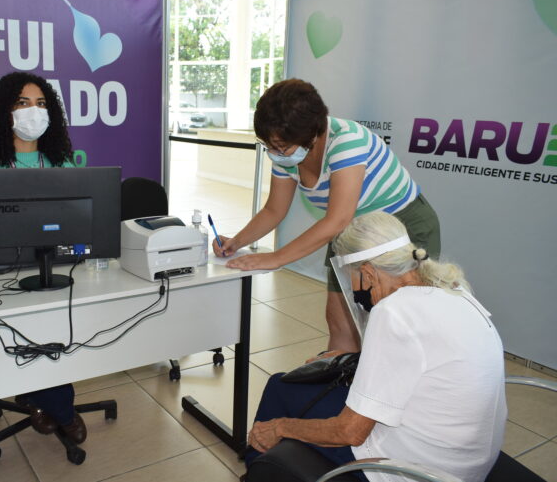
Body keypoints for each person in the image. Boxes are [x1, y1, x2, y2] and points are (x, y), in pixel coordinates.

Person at [244, 211, 506, 482]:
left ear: (368, 273)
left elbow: (350, 432)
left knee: (281, 387)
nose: (354, 289)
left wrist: (280, 428)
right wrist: (356, 357)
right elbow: (421, 362)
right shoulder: (453, 290)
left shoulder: (393, 310)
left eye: (352, 278)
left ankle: (260, 471)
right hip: (467, 463)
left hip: (414, 469)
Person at [213, 79, 440, 354]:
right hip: (353, 232)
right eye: (268, 145)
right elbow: (274, 210)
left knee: (396, 324)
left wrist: (276, 258)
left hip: (400, 228)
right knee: (340, 321)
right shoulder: (287, 157)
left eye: (281, 146)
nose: (275, 153)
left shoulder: (347, 141)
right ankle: (341, 388)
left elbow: (337, 220)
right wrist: (236, 242)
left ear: (313, 133)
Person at [0, 71, 85, 443]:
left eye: (41, 104)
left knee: (59, 323)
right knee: (32, 328)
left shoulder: (61, 162)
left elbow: (79, 221)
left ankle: (40, 398)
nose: (33, 112)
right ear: (5, 111)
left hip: (56, 267)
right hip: (3, 274)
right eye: (23, 103)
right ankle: (60, 408)